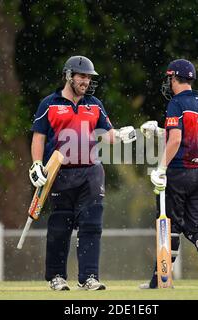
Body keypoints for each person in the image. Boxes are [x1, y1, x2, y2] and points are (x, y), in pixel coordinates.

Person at [29, 55, 136, 291]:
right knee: (60, 227)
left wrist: (124, 135)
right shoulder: (49, 103)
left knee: (91, 226)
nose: (86, 81)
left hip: (91, 173)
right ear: (69, 76)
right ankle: (56, 276)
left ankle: (89, 277)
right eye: (82, 76)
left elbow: (108, 135)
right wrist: (37, 164)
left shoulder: (94, 104)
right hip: (60, 173)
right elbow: (38, 137)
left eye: (89, 77)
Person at [140, 59, 198, 289]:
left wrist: (160, 168)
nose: (168, 83)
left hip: (179, 173)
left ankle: (161, 279)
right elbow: (189, 135)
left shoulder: (176, 104)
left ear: (174, 78)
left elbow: (177, 139)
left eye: (170, 78)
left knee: (171, 226)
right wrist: (160, 131)